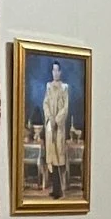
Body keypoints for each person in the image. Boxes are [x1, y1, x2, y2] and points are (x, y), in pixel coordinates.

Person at [40, 60, 74, 198]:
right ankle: (54, 188)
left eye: (57, 70)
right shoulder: (48, 86)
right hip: (50, 126)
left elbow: (65, 107)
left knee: (59, 156)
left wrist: (57, 120)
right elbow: (45, 103)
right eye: (53, 70)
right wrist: (50, 118)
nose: (55, 73)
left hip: (59, 128)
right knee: (51, 157)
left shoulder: (65, 88)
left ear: (60, 72)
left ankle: (60, 190)